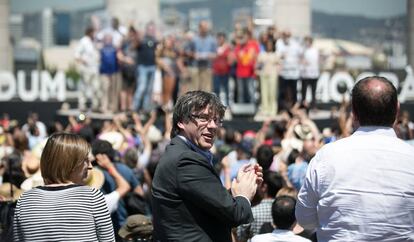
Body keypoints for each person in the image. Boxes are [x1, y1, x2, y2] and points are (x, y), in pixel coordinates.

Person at [296, 76, 414, 241]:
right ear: (397, 109)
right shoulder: (411, 158)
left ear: (354, 113)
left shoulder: (327, 156)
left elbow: (305, 219)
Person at [152, 91, 262, 241]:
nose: (212, 126)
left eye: (217, 120)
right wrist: (242, 195)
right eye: (204, 118)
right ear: (181, 121)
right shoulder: (186, 160)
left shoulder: (184, 154)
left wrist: (245, 186)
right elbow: (235, 215)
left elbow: (211, 204)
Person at [13, 133, 114, 241]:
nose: (90, 166)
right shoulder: (92, 197)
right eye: (85, 160)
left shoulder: (25, 200)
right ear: (70, 163)